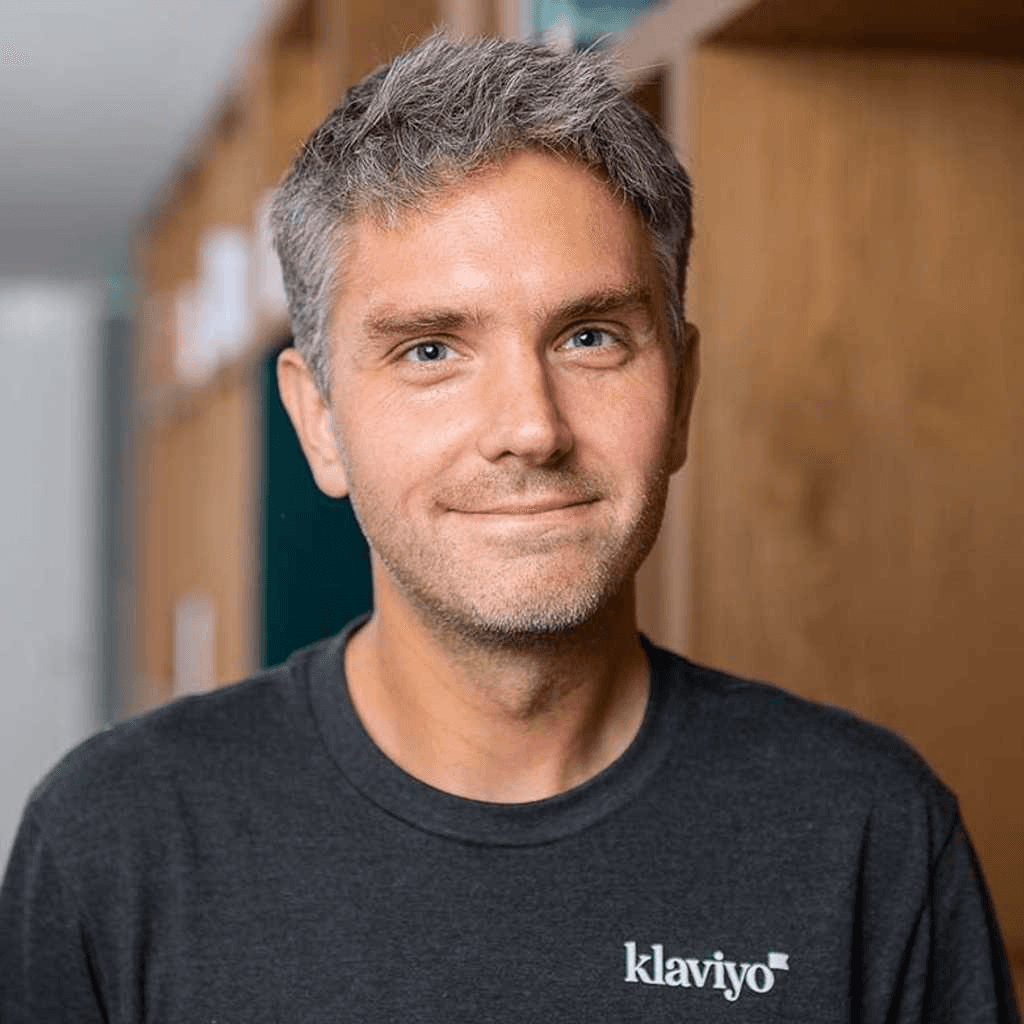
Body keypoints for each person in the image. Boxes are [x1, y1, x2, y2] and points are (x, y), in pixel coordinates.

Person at [0, 31, 1019, 1024]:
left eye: (590, 337)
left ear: (681, 395)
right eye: (431, 351)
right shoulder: (114, 842)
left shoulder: (870, 832)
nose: (530, 428)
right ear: (318, 424)